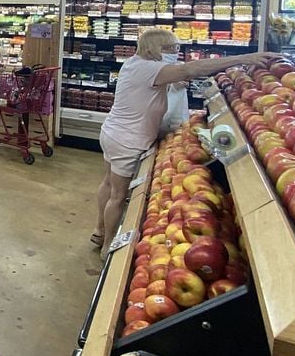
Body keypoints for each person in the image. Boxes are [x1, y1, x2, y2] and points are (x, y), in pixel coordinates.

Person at [92, 28, 280, 251]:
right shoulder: (149, 68)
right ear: (154, 49)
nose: (175, 52)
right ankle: (107, 246)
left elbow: (157, 84)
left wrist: (173, 83)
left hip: (113, 132)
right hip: (128, 141)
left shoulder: (135, 63)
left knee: (108, 183)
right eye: (171, 48)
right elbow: (191, 69)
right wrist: (245, 58)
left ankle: (99, 231)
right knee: (118, 195)